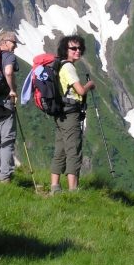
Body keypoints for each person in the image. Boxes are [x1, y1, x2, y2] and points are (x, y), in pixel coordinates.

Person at [50, 34, 95, 194]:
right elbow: (80, 91)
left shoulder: (60, 65)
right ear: (65, 50)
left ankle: (55, 187)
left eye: (79, 48)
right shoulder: (68, 67)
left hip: (61, 112)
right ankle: (73, 190)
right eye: (73, 48)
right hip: (70, 113)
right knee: (73, 150)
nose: (78, 51)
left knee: (60, 149)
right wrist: (90, 85)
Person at [0, 30, 22, 183]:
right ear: (5, 42)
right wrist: (12, 90)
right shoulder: (9, 56)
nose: (15, 46)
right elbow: (8, 72)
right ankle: (5, 177)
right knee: (7, 141)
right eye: (13, 42)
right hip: (5, 103)